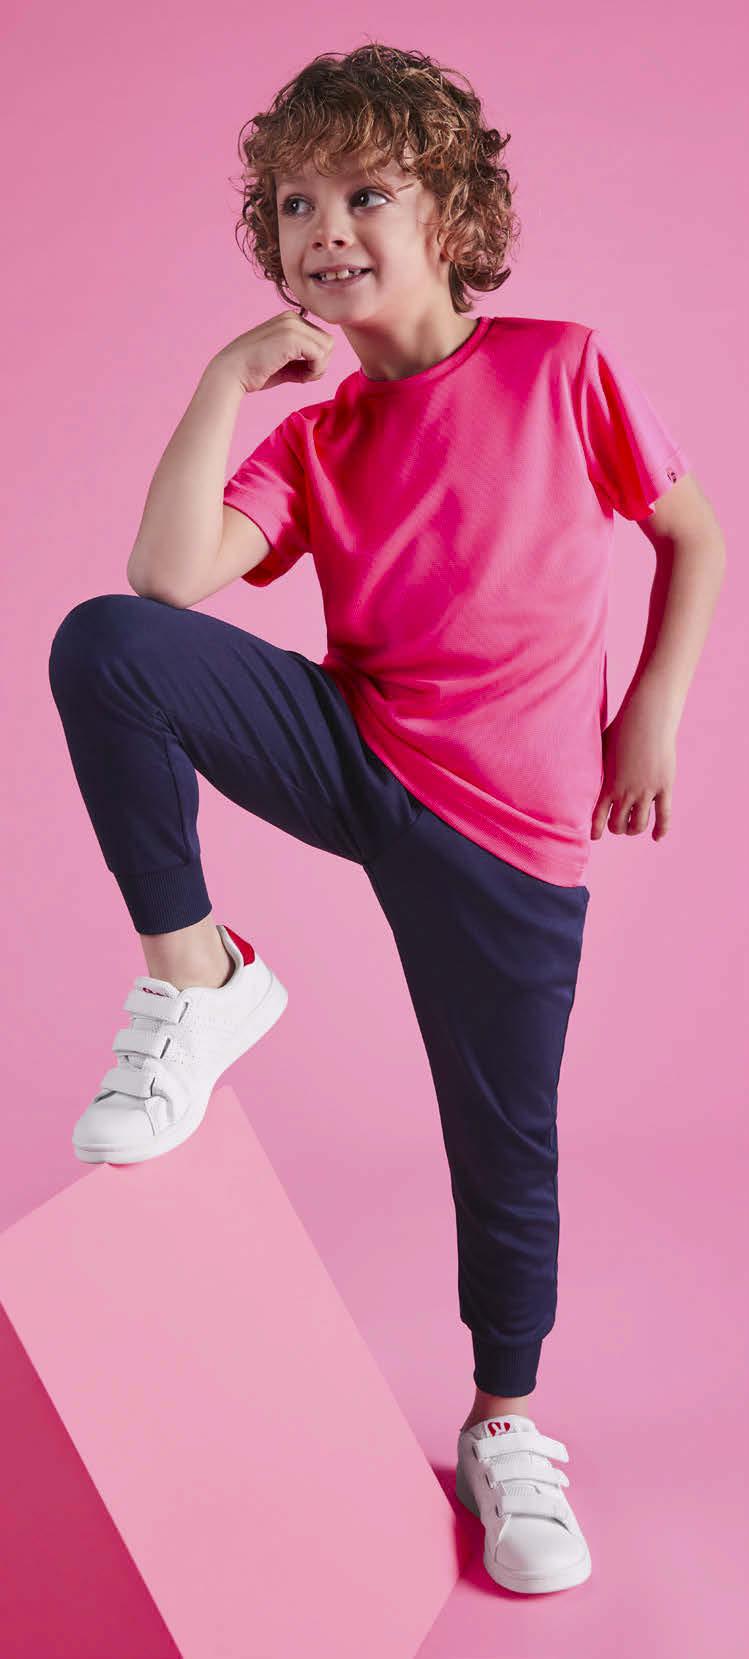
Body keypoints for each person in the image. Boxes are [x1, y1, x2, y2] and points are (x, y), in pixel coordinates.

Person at [47, 42, 726, 1596]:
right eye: (296, 203)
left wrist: (651, 710)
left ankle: (504, 1427)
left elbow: (689, 533)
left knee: (505, 1143)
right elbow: (166, 580)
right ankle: (199, 981)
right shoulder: (315, 439)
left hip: (512, 830)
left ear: (453, 217)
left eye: (365, 193)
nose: (325, 227)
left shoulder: (562, 367)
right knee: (108, 644)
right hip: (358, 754)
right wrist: (223, 382)